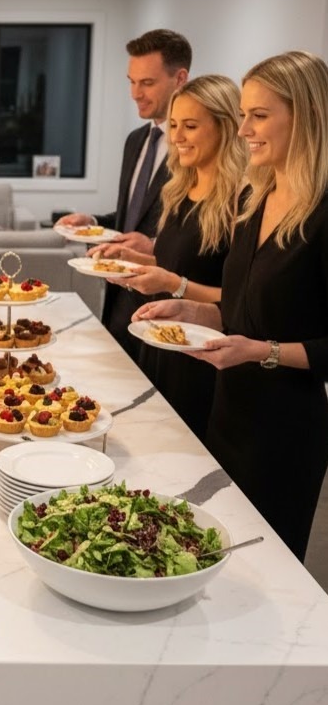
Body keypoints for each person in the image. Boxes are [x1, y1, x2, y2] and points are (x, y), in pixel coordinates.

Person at [134, 50, 328, 560]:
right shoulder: (256, 199)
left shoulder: (322, 213)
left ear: (306, 116)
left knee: (264, 564)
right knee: (210, 551)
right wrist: (189, 310)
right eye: (243, 114)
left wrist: (262, 352)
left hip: (284, 430)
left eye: (259, 115)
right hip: (229, 407)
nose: (244, 130)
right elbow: (239, 310)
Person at [108, 75, 247, 442]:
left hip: (203, 361)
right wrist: (136, 262)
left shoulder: (241, 202)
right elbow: (174, 263)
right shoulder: (179, 189)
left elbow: (238, 300)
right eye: (173, 125)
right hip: (161, 344)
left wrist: (172, 284)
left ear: (225, 127)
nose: (177, 137)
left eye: (190, 126)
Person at [56, 29, 192, 360]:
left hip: (166, 302)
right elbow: (130, 219)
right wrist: (93, 221)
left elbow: (205, 236)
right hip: (120, 296)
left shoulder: (194, 147)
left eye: (146, 83)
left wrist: (156, 246)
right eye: (131, 81)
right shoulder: (136, 140)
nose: (135, 93)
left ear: (180, 79)